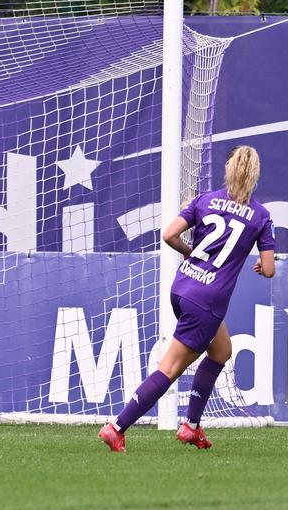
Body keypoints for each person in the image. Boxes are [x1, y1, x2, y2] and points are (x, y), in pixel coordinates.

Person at [99, 146, 275, 452]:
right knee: (170, 369)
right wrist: (261, 266)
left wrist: (190, 252)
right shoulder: (260, 216)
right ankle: (117, 427)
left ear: (229, 170)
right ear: (255, 175)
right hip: (208, 300)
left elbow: (169, 235)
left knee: (221, 351)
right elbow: (270, 269)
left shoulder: (205, 199)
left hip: (182, 288)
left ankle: (191, 427)